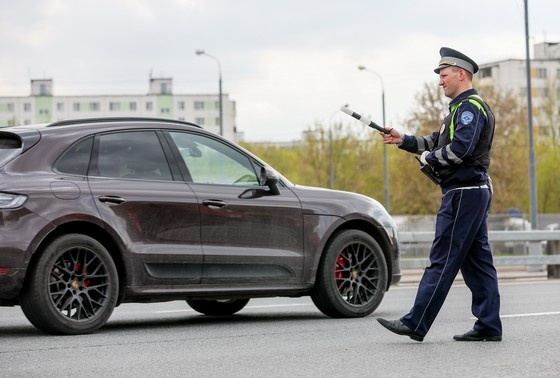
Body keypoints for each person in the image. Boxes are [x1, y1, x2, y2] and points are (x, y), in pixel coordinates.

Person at [377, 47, 502, 342]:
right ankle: (488, 325)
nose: (440, 81)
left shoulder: (470, 108)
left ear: (461, 74)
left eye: (444, 75)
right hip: (471, 192)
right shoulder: (459, 110)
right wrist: (403, 140)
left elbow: (461, 149)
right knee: (477, 262)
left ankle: (415, 322)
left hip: (463, 193)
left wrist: (429, 160)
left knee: (442, 258)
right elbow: (435, 140)